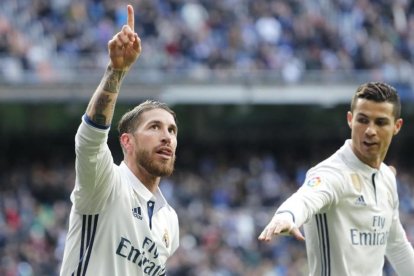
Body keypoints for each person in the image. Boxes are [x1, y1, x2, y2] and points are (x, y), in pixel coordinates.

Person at [60, 5, 179, 276]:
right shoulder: (105, 183)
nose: (166, 137)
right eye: (155, 127)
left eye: (172, 131)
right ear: (127, 141)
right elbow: (89, 139)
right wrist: (116, 71)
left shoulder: (169, 220)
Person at [258, 82, 414, 275]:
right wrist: (286, 215)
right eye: (362, 120)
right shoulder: (332, 173)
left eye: (380, 122)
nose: (370, 130)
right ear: (350, 119)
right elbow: (306, 198)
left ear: (396, 126)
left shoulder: (387, 178)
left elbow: (397, 246)